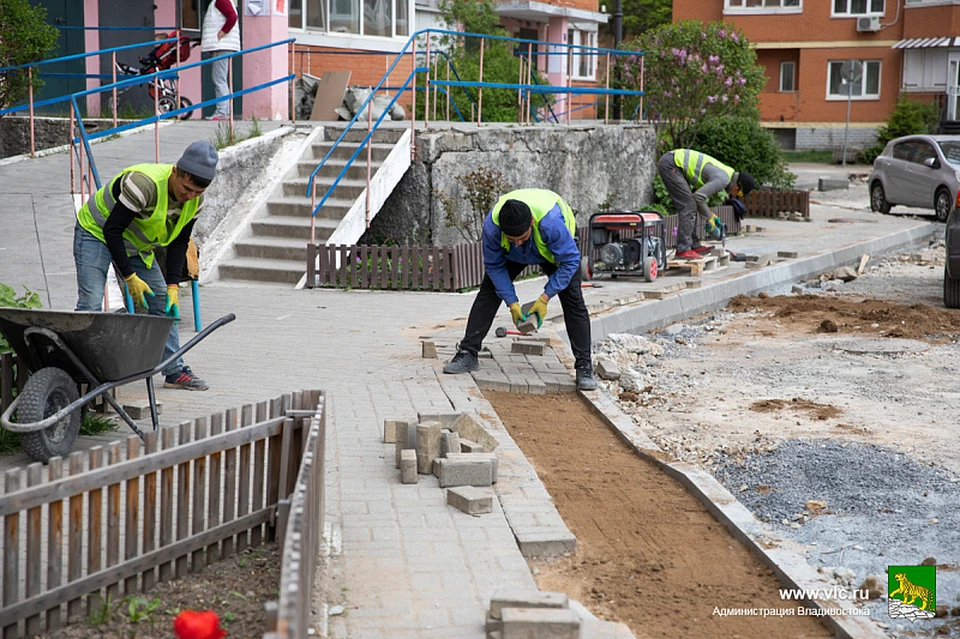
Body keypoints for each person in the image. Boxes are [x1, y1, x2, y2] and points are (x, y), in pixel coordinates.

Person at [74, 141, 219, 391]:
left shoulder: (196, 201)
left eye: (196, 192)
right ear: (175, 172)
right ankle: (78, 372)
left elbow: (179, 243)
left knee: (164, 303)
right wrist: (129, 277)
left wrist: (173, 284)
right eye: (186, 189)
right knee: (91, 303)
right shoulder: (143, 185)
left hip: (135, 245)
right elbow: (112, 229)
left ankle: (174, 371)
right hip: (96, 232)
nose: (189, 197)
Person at [443, 188, 598, 391]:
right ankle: (467, 353)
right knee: (488, 293)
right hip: (513, 256)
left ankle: (584, 366)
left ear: (531, 223)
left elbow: (571, 261)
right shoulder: (493, 227)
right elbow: (494, 266)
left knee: (573, 300)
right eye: (511, 239)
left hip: (553, 251)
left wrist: (544, 298)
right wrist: (512, 303)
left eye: (521, 238)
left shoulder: (551, 224)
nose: (516, 243)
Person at [658, 149, 756, 260]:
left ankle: (693, 245)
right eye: (738, 193)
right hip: (671, 164)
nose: (735, 195)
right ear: (737, 187)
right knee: (688, 205)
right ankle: (683, 250)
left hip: (673, 163)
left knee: (690, 204)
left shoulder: (727, 173)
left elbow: (698, 198)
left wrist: (711, 216)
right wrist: (709, 217)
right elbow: (699, 196)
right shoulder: (723, 179)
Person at [200, 0, 241, 121]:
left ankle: (222, 111)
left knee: (219, 78)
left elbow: (232, 16)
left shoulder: (221, 1)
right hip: (221, 45)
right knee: (220, 78)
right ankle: (224, 110)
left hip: (222, 45)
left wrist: (222, 32)